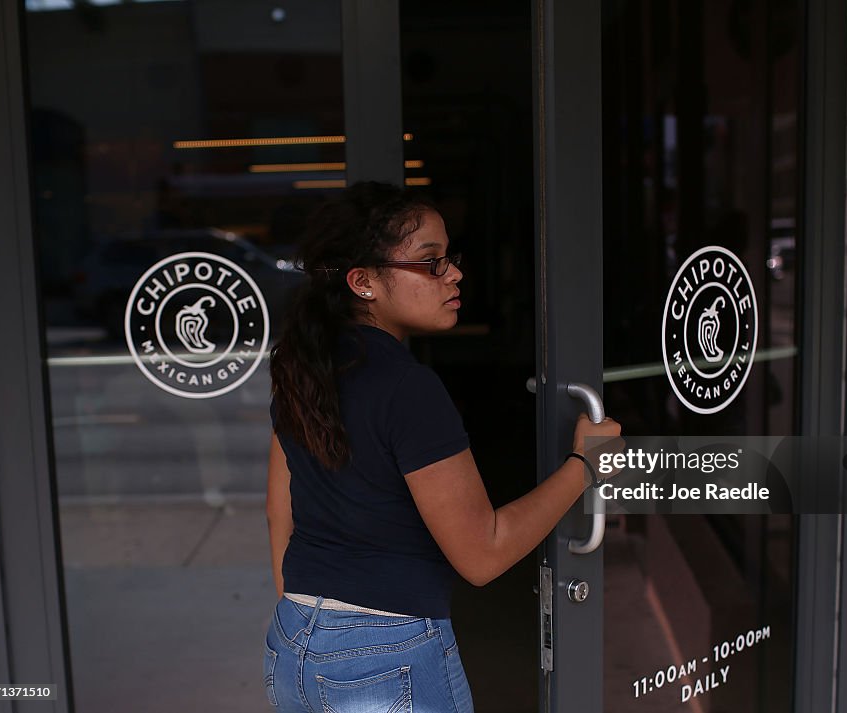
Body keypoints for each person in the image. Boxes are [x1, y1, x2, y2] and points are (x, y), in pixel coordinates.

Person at [263, 182, 620, 712]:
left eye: (449, 257)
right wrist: (583, 466)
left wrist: (319, 621)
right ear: (363, 281)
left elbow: (278, 509)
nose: (453, 273)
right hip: (387, 654)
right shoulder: (407, 388)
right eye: (430, 262)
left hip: (293, 640)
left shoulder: (303, 365)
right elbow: (483, 553)